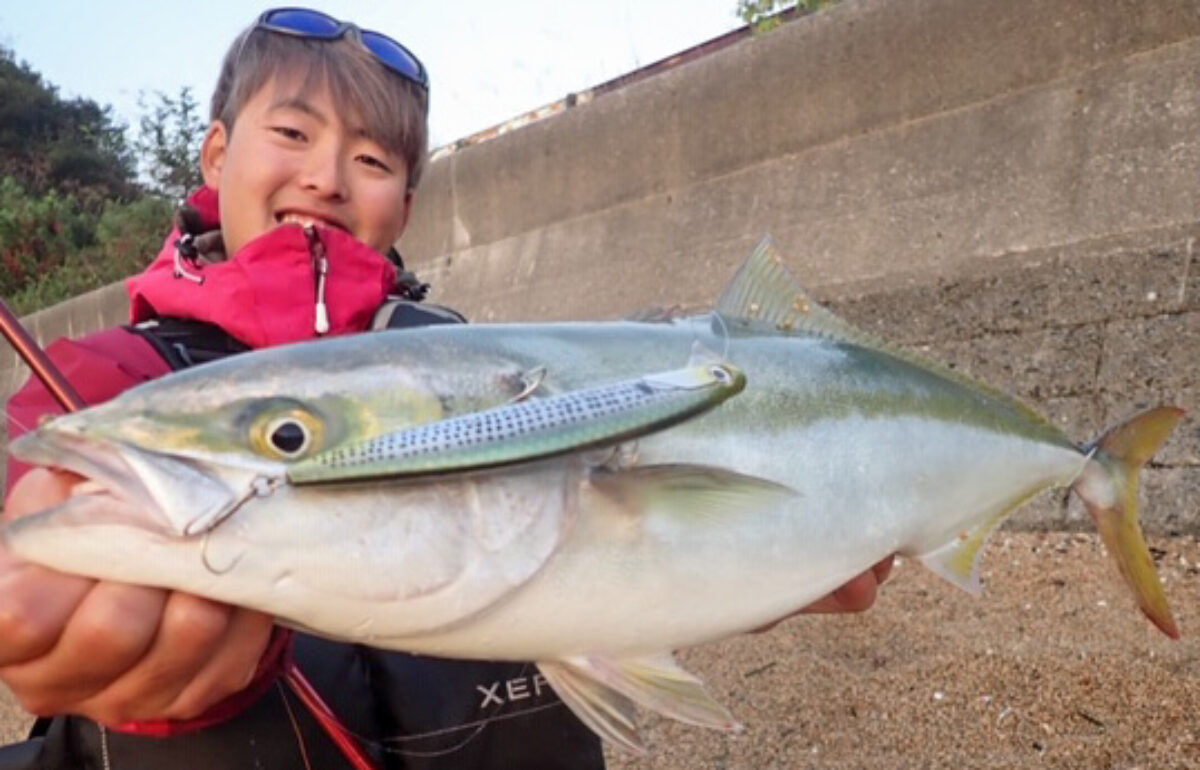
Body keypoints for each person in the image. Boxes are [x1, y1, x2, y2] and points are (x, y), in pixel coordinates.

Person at [0, 8, 893, 768]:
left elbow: (606, 547)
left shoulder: (467, 358)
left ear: (406, 207)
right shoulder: (106, 381)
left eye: (374, 160)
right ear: (216, 153)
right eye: (293, 133)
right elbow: (29, 509)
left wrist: (752, 569)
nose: (326, 175)